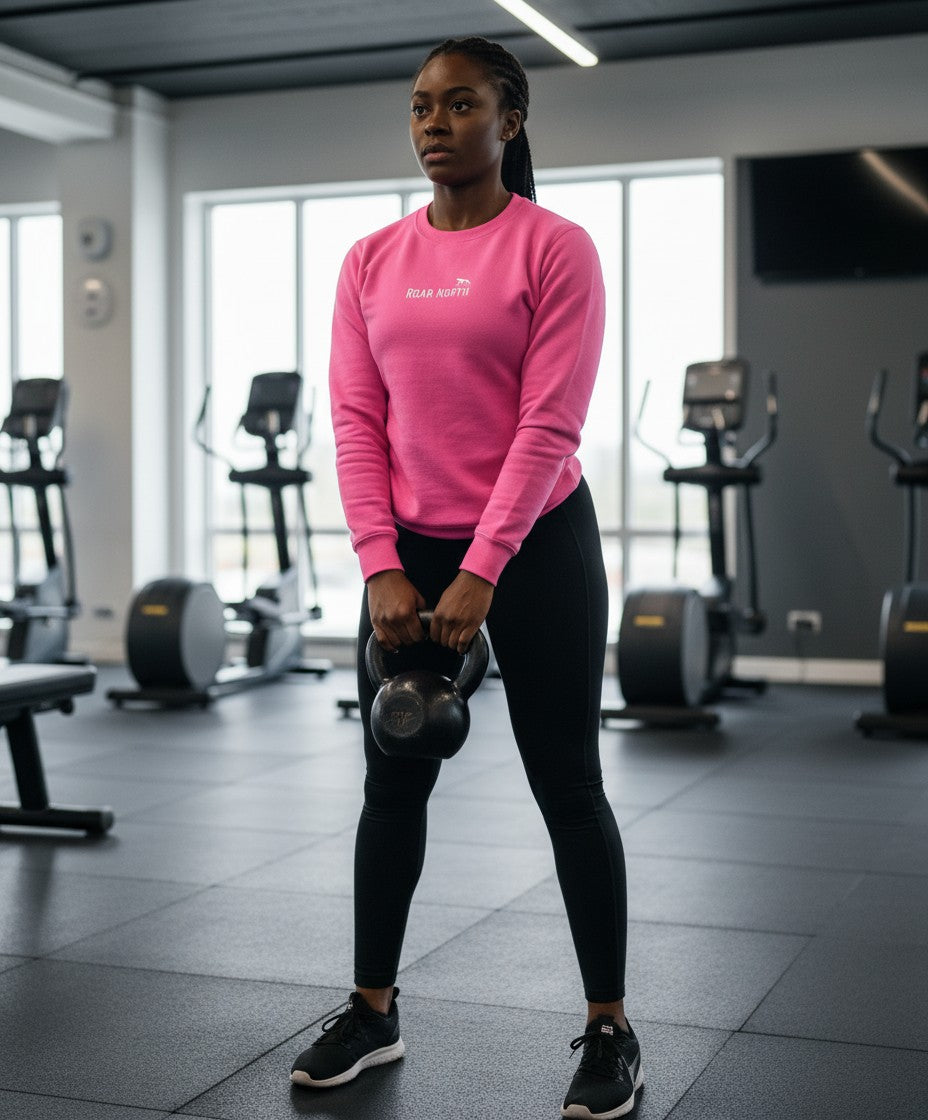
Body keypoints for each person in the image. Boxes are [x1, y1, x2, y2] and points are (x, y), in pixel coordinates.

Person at [290, 35, 642, 1120]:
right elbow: (354, 421)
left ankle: (607, 1026)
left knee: (567, 784)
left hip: (536, 544)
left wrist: (483, 568)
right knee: (390, 779)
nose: (433, 123)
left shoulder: (555, 247)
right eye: (419, 108)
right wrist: (380, 566)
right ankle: (372, 1008)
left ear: (511, 119)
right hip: (408, 554)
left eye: (457, 104)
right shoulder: (368, 259)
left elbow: (549, 423)